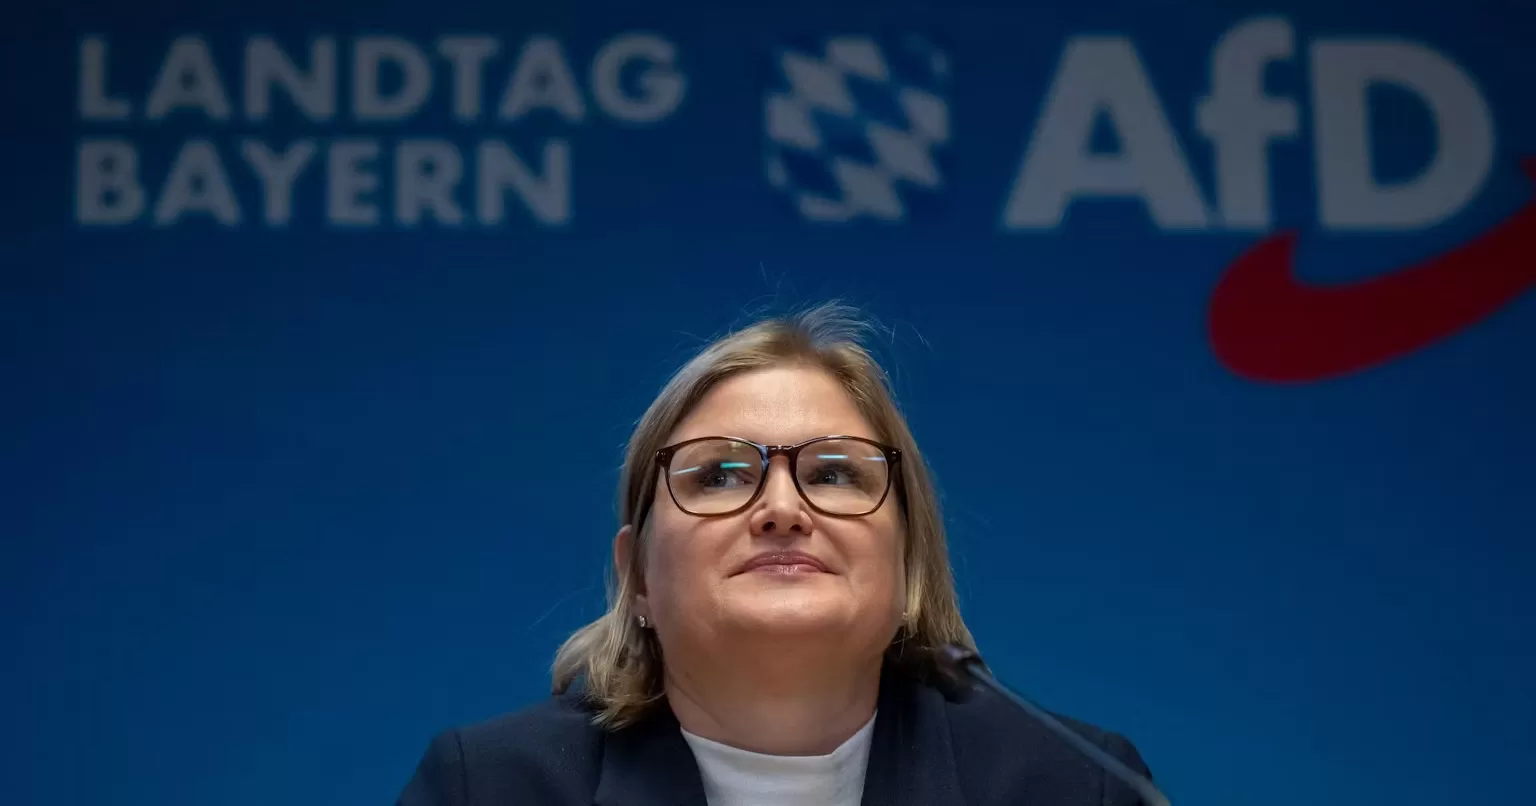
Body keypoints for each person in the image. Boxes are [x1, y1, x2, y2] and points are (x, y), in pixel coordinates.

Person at [397, 303, 1155, 805]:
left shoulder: (1073, 787)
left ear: (908, 570)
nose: (783, 510)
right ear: (638, 580)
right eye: (721, 474)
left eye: (834, 472)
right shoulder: (489, 789)